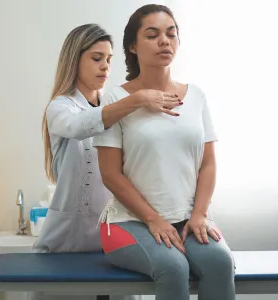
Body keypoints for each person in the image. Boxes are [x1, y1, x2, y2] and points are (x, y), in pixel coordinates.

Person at [29, 23, 181, 300]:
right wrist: (135, 100)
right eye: (96, 58)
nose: (105, 67)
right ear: (75, 60)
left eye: (109, 59)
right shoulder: (61, 107)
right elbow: (80, 126)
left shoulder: (115, 105)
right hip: (68, 242)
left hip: (115, 236)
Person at [94, 4, 235, 300]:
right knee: (172, 267)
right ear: (133, 45)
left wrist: (199, 214)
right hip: (127, 222)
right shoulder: (117, 99)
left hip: (187, 217)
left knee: (221, 262)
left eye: (171, 34)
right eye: (152, 34)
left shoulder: (196, 96)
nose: (164, 41)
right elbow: (109, 173)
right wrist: (153, 218)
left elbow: (208, 163)